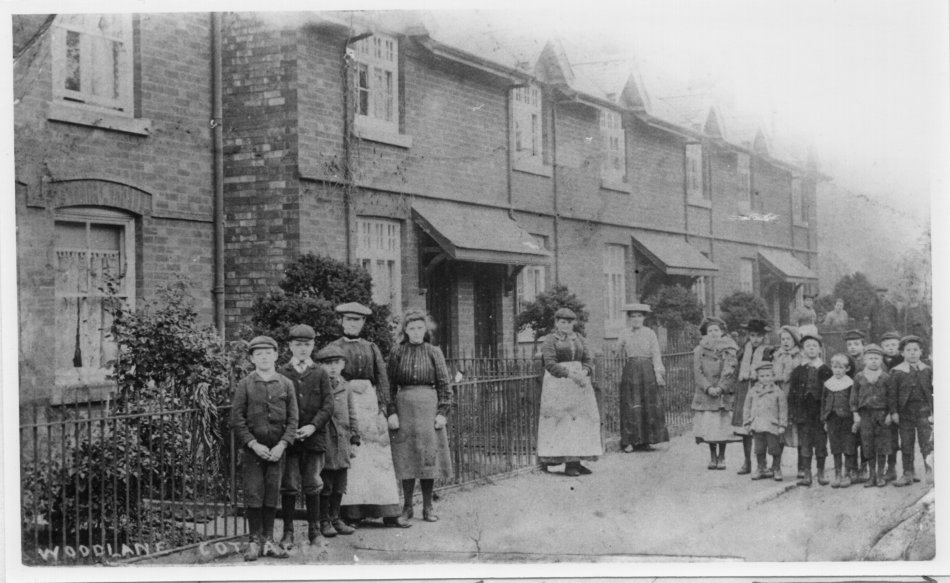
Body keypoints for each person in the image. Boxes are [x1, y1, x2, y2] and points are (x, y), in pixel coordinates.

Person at [329, 302, 409, 529]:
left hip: (370, 406)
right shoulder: (334, 348)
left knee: (378, 458)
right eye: (348, 320)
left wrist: (385, 409)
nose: (353, 324)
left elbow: (382, 379)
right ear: (341, 322)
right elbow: (329, 378)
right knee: (353, 458)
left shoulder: (370, 347)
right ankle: (350, 513)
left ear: (363, 323)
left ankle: (388, 512)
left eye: (357, 320)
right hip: (345, 405)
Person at [230, 336, 298, 561]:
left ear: (277, 355)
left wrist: (282, 444)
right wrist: (253, 444)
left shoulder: (286, 384)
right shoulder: (246, 384)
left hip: (277, 451)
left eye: (268, 353)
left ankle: (268, 540)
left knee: (272, 493)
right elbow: (237, 419)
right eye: (259, 354)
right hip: (253, 452)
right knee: (253, 493)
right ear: (251, 358)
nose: (264, 357)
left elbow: (293, 420)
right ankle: (254, 541)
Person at [387, 309, 453, 521]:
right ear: (405, 330)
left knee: (428, 457)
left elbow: (445, 384)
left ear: (425, 330)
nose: (416, 332)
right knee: (406, 458)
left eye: (419, 328)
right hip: (404, 407)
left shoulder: (434, 352)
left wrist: (442, 412)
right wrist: (391, 412)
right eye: (411, 328)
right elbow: (388, 386)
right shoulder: (397, 352)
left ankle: (427, 507)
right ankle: (407, 507)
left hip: (428, 408)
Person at [277, 325, 334, 550]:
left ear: (313, 346)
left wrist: (313, 426)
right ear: (290, 346)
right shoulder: (282, 372)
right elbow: (278, 405)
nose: (303, 349)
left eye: (307, 345)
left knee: (313, 484)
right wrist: (289, 431)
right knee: (289, 485)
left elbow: (328, 405)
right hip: (289, 440)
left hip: (314, 438)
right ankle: (288, 532)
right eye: (298, 345)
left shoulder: (320, 373)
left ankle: (314, 531)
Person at [537, 307, 603, 476]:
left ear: (573, 323)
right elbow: (550, 364)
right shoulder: (550, 340)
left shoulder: (579, 338)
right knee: (564, 421)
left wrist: (585, 372)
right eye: (562, 322)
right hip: (558, 384)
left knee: (580, 420)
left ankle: (577, 461)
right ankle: (568, 463)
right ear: (556, 323)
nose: (565, 325)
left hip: (580, 383)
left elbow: (588, 359)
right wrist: (571, 375)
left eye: (569, 322)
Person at [315, 345, 359, 537]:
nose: (332, 368)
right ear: (321, 366)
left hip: (343, 441)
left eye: (336, 363)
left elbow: (352, 414)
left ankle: (335, 518)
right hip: (325, 441)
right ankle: (323, 520)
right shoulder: (318, 386)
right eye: (327, 364)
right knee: (326, 483)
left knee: (340, 483)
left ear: (342, 364)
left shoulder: (346, 386)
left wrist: (355, 439)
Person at [617, 303, 668, 453]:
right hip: (631, 369)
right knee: (631, 404)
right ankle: (629, 442)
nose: (636, 319)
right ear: (629, 318)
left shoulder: (650, 333)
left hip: (647, 370)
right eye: (633, 316)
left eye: (639, 316)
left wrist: (658, 373)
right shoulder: (625, 333)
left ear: (644, 318)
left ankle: (646, 440)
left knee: (648, 405)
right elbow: (617, 352)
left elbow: (656, 354)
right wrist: (620, 342)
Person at [691, 317, 741, 470]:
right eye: (710, 330)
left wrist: (721, 387)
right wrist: (707, 388)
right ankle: (712, 456)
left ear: (722, 332)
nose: (713, 333)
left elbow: (730, 369)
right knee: (710, 427)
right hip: (706, 394)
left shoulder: (729, 348)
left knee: (722, 426)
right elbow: (697, 371)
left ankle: (722, 456)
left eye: (716, 330)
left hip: (722, 394)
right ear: (706, 333)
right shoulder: (700, 349)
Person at [887, 335, 933, 486]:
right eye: (908, 350)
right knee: (906, 443)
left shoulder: (927, 370)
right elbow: (892, 394)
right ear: (902, 353)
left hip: (923, 411)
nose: (912, 353)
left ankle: (930, 471)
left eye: (915, 350)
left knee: (926, 442)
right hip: (905, 413)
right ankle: (908, 472)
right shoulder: (897, 372)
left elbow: (932, 391)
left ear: (921, 352)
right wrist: (894, 412)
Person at [787, 333, 832, 487]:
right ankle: (807, 474)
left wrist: (827, 414)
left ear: (819, 349)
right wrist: (792, 413)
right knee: (805, 444)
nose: (811, 349)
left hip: (819, 414)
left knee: (820, 443)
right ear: (802, 350)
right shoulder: (798, 371)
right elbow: (792, 393)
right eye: (807, 346)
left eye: (814, 346)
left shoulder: (826, 370)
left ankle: (820, 473)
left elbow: (831, 393)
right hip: (803, 413)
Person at [733, 319, 773, 475]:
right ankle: (747, 462)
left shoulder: (767, 351)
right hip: (744, 390)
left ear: (764, 337)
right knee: (745, 428)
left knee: (760, 429)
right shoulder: (744, 350)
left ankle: (761, 464)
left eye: (759, 336)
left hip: (760, 391)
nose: (755, 339)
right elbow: (735, 367)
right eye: (752, 335)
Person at [850, 344, 892, 488]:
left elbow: (891, 397)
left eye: (876, 358)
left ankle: (880, 475)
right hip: (865, 415)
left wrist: (890, 414)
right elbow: (854, 397)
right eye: (870, 358)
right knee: (867, 445)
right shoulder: (859, 377)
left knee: (881, 445)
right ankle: (871, 476)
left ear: (881, 360)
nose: (873, 361)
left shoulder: (886, 377)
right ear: (864, 360)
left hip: (881, 414)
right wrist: (855, 414)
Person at [742, 362, 787, 481]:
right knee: (759, 449)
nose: (765, 379)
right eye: (762, 376)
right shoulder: (753, 391)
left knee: (774, 448)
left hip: (772, 425)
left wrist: (782, 424)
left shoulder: (778, 391)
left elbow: (783, 409)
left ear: (773, 376)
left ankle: (776, 468)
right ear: (758, 377)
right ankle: (761, 468)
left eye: (768, 376)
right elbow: (747, 407)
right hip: (757, 425)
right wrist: (747, 422)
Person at [771, 325, 803, 476]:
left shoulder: (801, 356)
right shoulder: (777, 356)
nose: (785, 342)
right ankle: (776, 466)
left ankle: (802, 467)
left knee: (799, 431)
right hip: (779, 396)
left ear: (795, 340)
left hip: (796, 397)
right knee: (779, 431)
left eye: (788, 339)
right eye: (782, 339)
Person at [821, 354, 858, 488]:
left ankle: (847, 473)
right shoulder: (828, 384)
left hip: (847, 419)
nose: (837, 370)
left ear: (847, 369)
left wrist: (855, 420)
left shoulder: (850, 383)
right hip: (832, 419)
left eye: (840, 368)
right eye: (835, 367)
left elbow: (854, 402)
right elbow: (824, 403)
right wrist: (825, 419)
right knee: (835, 447)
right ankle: (837, 475)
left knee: (848, 446)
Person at [879, 330, 903, 481]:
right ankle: (889, 468)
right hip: (882, 405)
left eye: (894, 344)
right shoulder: (877, 361)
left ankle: (908, 468)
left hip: (899, 405)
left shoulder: (902, 360)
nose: (891, 348)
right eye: (887, 345)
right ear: (882, 347)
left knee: (902, 438)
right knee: (886, 437)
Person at [900, 289, 932, 359]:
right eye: (910, 295)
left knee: (923, 350)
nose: (912, 296)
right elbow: (900, 322)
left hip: (922, 332)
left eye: (914, 294)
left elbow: (929, 319)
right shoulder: (905, 308)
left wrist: (928, 331)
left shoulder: (923, 307)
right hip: (910, 332)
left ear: (917, 295)